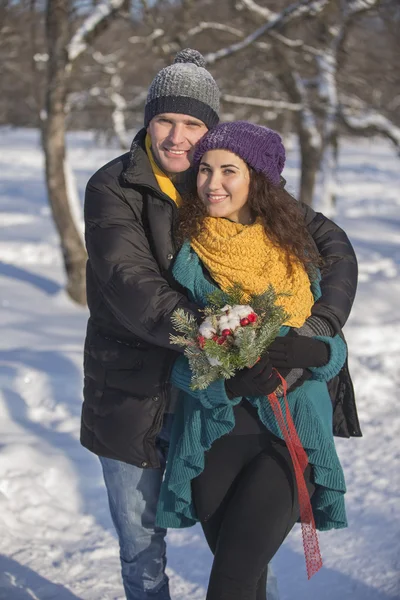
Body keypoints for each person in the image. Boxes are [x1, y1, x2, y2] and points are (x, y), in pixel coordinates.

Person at [81, 48, 360, 600]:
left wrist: (315, 330)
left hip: (220, 403)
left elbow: (333, 246)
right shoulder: (113, 187)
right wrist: (228, 339)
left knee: (244, 554)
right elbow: (133, 285)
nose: (178, 137)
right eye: (165, 119)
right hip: (135, 391)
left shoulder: (227, 174)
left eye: (193, 123)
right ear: (147, 121)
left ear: (211, 129)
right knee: (141, 547)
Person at [155, 121, 361, 600]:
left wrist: (316, 349)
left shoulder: (297, 251)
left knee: (229, 578)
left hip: (288, 440)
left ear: (258, 180)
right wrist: (227, 385)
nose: (212, 183)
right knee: (245, 580)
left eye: (229, 171)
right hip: (212, 438)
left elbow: (333, 349)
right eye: (204, 170)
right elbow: (178, 359)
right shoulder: (187, 256)